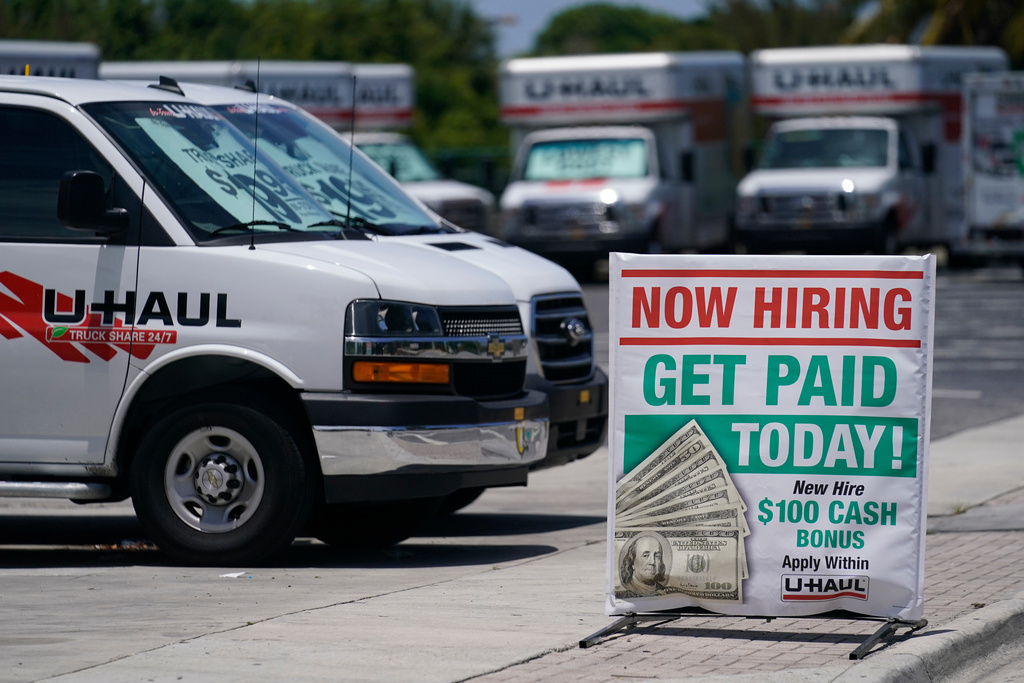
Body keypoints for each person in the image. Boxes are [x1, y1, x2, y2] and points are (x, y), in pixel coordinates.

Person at [618, 532, 669, 597]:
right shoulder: (626, 589)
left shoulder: (666, 591)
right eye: (645, 555)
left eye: (657, 556)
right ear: (632, 562)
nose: (652, 562)